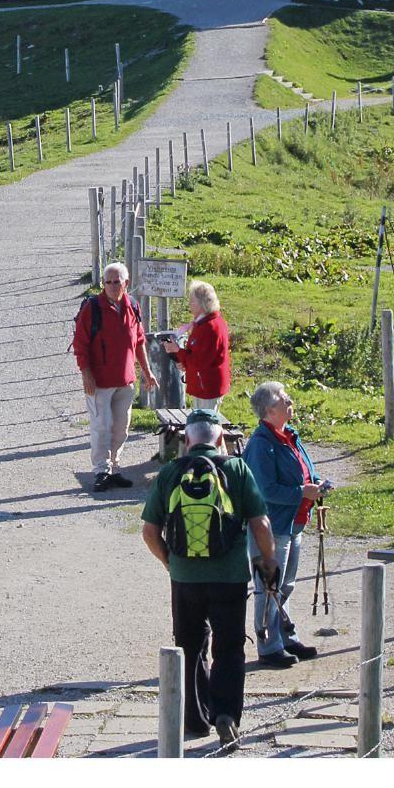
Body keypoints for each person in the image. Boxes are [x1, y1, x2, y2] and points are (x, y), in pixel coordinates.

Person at [139, 401, 278, 746]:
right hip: (230, 576)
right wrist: (269, 561)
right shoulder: (238, 469)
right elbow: (260, 523)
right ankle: (226, 714)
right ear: (220, 441)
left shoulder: (171, 472)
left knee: (189, 645)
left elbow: (149, 530)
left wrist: (169, 562)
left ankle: (195, 720)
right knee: (229, 647)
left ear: (186, 439)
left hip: (185, 577)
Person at [241, 379, 325, 664]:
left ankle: (286, 637)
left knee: (285, 586)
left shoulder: (289, 436)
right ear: (268, 411)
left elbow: (303, 472)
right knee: (268, 588)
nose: (289, 402)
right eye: (282, 399)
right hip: (270, 528)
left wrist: (316, 484)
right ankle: (269, 647)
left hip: (293, 523)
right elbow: (265, 490)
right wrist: (303, 492)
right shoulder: (261, 445)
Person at [69, 261, 149, 488]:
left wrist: (147, 371)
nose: (112, 286)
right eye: (108, 282)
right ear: (103, 284)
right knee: (100, 426)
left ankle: (114, 466)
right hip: (100, 382)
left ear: (126, 283)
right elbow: (80, 345)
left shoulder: (132, 305)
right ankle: (101, 471)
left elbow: (140, 340)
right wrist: (86, 374)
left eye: (117, 282)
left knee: (121, 427)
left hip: (125, 380)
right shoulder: (92, 308)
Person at [170, 279, 236, 418]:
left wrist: (177, 351)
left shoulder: (210, 327)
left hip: (208, 386)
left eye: (192, 301)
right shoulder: (203, 323)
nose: (190, 305)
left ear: (202, 304)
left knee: (207, 426)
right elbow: (196, 354)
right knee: (201, 424)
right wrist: (184, 360)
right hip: (203, 384)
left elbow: (200, 361)